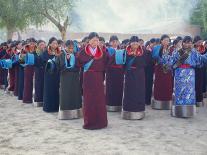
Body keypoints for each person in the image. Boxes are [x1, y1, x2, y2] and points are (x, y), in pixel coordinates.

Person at [162, 36, 207, 117]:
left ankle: (189, 110)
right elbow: (171, 61)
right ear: (183, 43)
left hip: (190, 73)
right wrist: (165, 54)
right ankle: (178, 110)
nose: (188, 44)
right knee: (180, 92)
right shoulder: (177, 51)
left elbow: (200, 60)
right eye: (186, 42)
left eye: (190, 42)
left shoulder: (193, 52)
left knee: (189, 92)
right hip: (179, 73)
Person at [77, 32, 109, 130]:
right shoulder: (83, 52)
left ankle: (101, 122)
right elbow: (79, 63)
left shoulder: (102, 52)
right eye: (94, 40)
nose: (96, 42)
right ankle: (89, 122)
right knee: (89, 99)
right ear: (89, 41)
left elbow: (107, 63)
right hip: (88, 78)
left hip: (98, 77)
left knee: (99, 99)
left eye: (97, 40)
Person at [122, 36, 149, 120]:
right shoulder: (125, 52)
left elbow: (146, 63)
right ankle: (128, 110)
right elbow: (123, 64)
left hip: (139, 74)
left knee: (139, 91)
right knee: (129, 91)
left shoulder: (143, 52)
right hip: (129, 74)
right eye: (133, 42)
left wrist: (137, 59)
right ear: (130, 43)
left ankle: (139, 110)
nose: (135, 44)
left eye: (136, 42)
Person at [55, 40, 82, 119]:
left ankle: (76, 113)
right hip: (65, 78)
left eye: (72, 48)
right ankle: (65, 114)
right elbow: (60, 66)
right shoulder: (61, 54)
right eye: (69, 48)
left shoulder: (76, 54)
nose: (71, 50)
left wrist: (73, 67)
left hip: (75, 78)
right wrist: (67, 60)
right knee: (66, 94)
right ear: (65, 47)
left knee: (75, 94)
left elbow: (78, 66)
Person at [151, 35, 173, 110]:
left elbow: (173, 58)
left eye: (168, 40)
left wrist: (168, 63)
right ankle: (158, 101)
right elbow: (153, 57)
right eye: (165, 40)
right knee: (159, 84)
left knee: (167, 85)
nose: (167, 42)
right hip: (159, 69)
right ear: (161, 41)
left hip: (168, 70)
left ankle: (167, 101)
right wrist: (159, 61)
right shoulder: (156, 48)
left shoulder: (171, 49)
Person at [105, 35, 124, 112]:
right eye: (113, 41)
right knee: (111, 88)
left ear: (118, 42)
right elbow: (106, 62)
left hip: (119, 73)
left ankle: (118, 104)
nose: (115, 43)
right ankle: (110, 104)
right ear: (110, 42)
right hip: (110, 73)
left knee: (119, 88)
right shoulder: (107, 51)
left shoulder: (121, 51)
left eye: (116, 41)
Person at [23, 38, 36, 103]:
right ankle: (27, 99)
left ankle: (33, 97)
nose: (32, 45)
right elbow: (21, 61)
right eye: (31, 43)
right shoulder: (25, 50)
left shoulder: (36, 50)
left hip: (34, 68)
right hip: (27, 68)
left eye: (33, 43)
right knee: (27, 83)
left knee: (34, 83)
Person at [33, 40, 46, 107]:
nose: (42, 46)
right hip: (38, 70)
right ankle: (38, 100)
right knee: (38, 85)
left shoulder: (46, 52)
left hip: (44, 71)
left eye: (43, 44)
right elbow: (35, 61)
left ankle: (44, 100)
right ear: (38, 45)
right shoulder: (35, 52)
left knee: (44, 85)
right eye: (41, 44)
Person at [193, 36, 205, 106]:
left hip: (201, 68)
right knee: (195, 84)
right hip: (194, 69)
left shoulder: (202, 48)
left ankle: (199, 100)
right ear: (195, 42)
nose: (200, 43)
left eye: (201, 42)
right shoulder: (192, 49)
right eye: (199, 42)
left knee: (200, 83)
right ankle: (195, 100)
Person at [145, 38, 156, 105]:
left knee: (149, 84)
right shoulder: (147, 50)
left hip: (150, 70)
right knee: (147, 85)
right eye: (153, 44)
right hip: (147, 70)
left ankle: (148, 100)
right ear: (150, 43)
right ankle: (147, 100)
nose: (154, 46)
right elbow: (150, 61)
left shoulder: (151, 50)